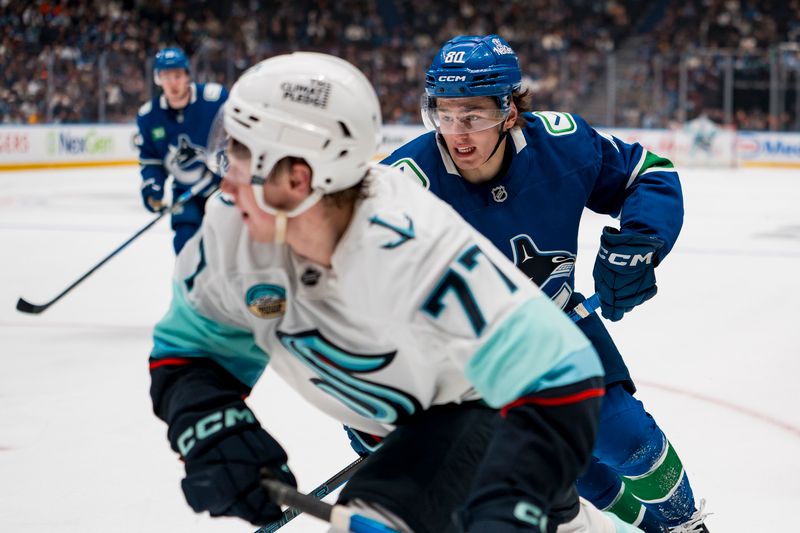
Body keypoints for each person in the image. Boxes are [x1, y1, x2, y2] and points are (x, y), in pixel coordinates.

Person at [146, 51, 640, 533]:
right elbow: (190, 349)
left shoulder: (416, 249)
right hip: (391, 430)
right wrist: (210, 422)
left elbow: (559, 373)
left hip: (486, 418)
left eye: (239, 162)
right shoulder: (231, 229)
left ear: (296, 179)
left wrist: (513, 494)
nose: (226, 187)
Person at [378, 35, 709, 533]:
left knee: (627, 438)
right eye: (443, 115)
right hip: (465, 358)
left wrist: (641, 241)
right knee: (569, 467)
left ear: (510, 111)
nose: (457, 134)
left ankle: (685, 526)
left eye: (474, 117)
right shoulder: (403, 186)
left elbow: (649, 174)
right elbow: (356, 290)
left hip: (556, 329)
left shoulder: (562, 143)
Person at [135, 47, 227, 254]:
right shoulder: (149, 116)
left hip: (223, 187)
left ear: (187, 76)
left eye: (177, 75)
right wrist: (153, 188)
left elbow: (235, 139)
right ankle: (190, 286)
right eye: (165, 77)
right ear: (158, 80)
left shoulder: (214, 100)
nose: (172, 83)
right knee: (185, 244)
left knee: (226, 243)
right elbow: (151, 160)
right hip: (185, 192)